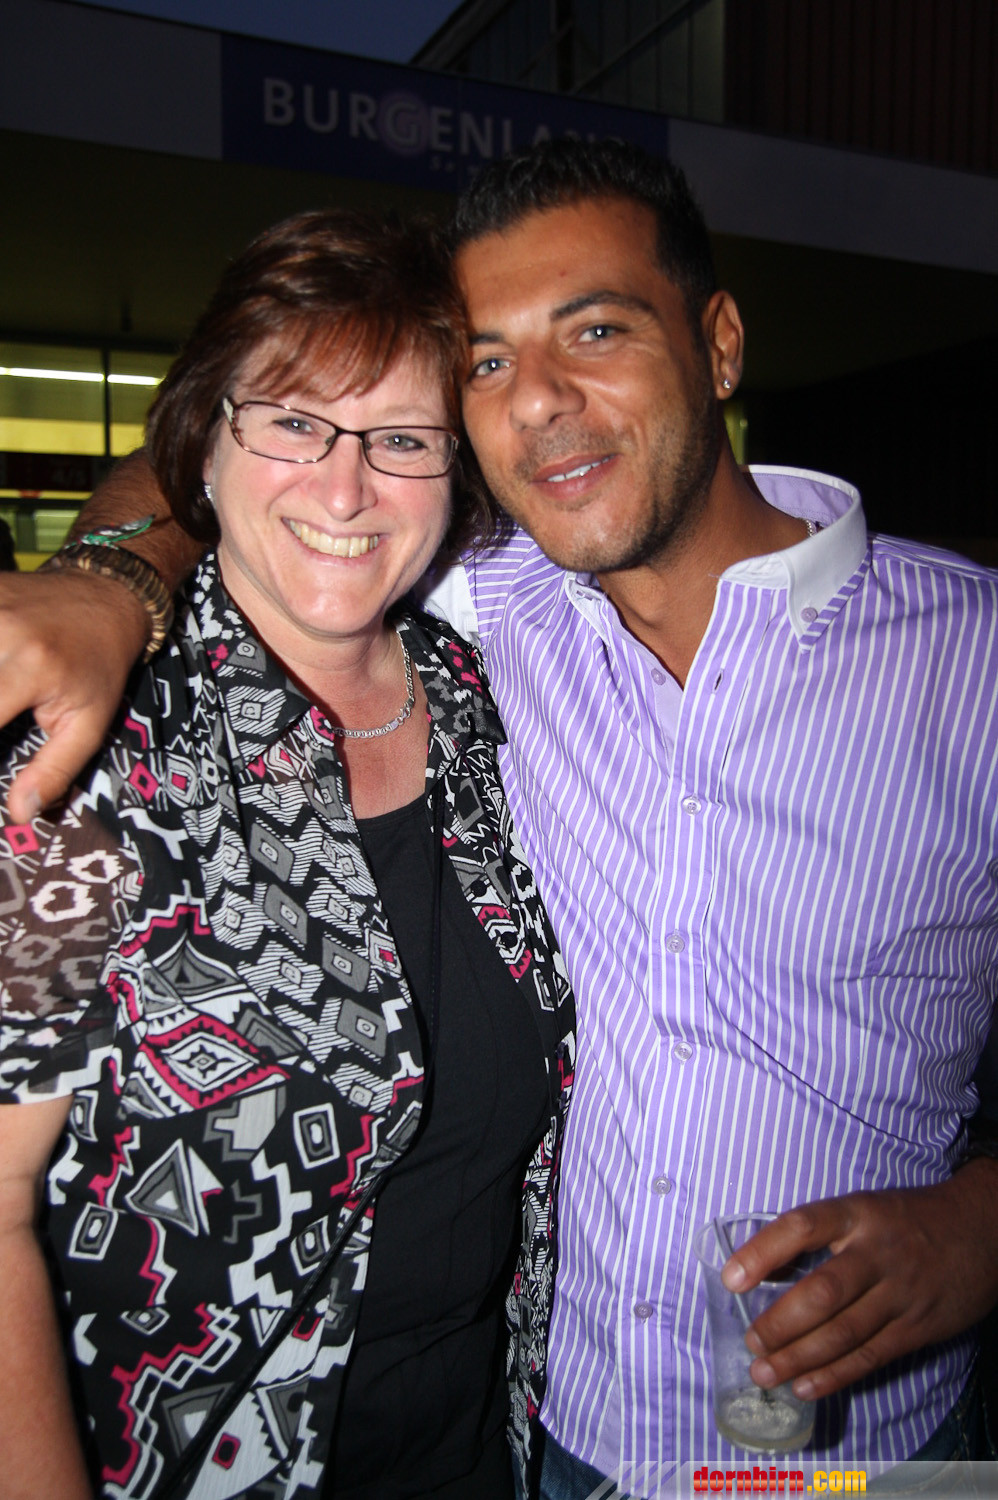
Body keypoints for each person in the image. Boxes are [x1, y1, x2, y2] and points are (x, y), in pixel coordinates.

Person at [1, 141, 996, 1494]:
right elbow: (235, 471)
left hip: (857, 1457)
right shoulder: (463, 623)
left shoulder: (969, 661)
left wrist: (981, 1225)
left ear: (717, 344)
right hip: (557, 1443)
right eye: (486, 362)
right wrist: (110, 583)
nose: (538, 402)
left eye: (596, 330)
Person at [0, 208, 574, 1500]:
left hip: (481, 1454)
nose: (346, 486)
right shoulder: (90, 750)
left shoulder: (482, 705)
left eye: (402, 439)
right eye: (293, 422)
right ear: (202, 443)